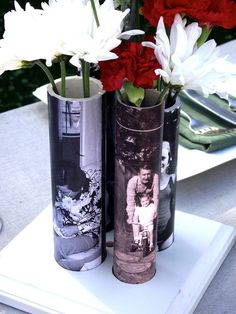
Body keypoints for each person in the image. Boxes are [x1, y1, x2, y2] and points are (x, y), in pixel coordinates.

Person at [158, 141, 176, 249]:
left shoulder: (172, 178)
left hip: (167, 232)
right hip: (150, 235)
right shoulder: (146, 180)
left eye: (163, 158)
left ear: (168, 161)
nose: (160, 162)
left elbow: (172, 204)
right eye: (158, 158)